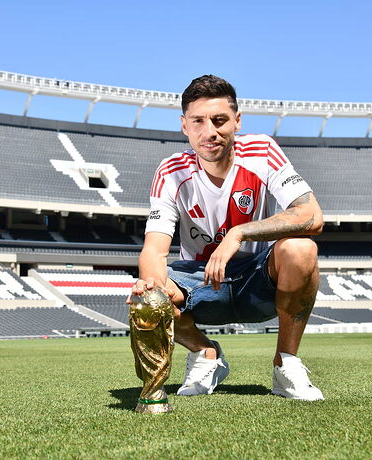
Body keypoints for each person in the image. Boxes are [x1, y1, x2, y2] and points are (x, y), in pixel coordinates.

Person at [129, 75, 324, 400]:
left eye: (220, 120)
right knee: (148, 292)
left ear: (237, 121)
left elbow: (311, 215)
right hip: (200, 281)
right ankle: (205, 353)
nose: (210, 131)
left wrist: (240, 232)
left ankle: (285, 364)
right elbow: (154, 250)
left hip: (257, 280)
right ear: (184, 126)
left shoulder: (261, 151)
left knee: (301, 248)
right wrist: (151, 291)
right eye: (198, 121)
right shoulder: (170, 171)